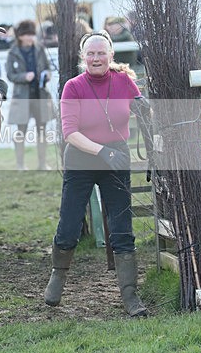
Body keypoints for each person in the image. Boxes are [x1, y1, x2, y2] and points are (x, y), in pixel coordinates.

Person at [43, 30, 147, 317]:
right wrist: (101, 152)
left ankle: (130, 296)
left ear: (111, 55)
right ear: (83, 58)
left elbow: (142, 112)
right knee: (69, 226)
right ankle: (58, 275)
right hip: (81, 158)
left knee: (122, 226)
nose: (96, 58)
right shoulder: (73, 87)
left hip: (117, 155)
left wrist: (148, 115)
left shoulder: (124, 81)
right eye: (91, 53)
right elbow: (70, 133)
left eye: (102, 53)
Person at [5, 20, 53, 170]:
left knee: (42, 130)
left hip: (40, 94)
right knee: (21, 131)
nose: (30, 37)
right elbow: (10, 75)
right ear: (20, 36)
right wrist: (24, 77)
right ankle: (20, 164)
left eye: (32, 34)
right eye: (26, 34)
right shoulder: (13, 52)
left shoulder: (39, 49)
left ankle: (42, 163)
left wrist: (48, 75)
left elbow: (47, 68)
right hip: (22, 96)